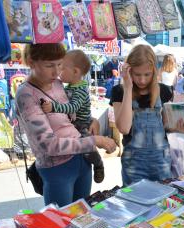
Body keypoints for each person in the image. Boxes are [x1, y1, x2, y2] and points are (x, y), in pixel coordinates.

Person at [16, 44, 116, 207]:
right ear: (31, 62)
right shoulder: (27, 95)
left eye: (60, 64)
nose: (56, 72)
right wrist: (94, 141)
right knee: (61, 222)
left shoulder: (57, 83)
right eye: (49, 66)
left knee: (83, 216)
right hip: (57, 168)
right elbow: (49, 145)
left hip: (82, 160)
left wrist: (92, 120)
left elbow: (69, 116)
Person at [110, 45, 184, 186]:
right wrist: (128, 87)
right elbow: (123, 128)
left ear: (154, 71)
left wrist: (179, 128)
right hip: (133, 165)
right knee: (135, 204)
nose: (142, 80)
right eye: (137, 74)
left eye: (147, 74)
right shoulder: (120, 91)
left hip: (161, 161)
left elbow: (165, 126)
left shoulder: (164, 91)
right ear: (129, 71)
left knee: (162, 203)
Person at [41, 50, 105, 183]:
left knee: (87, 147)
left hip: (82, 123)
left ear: (75, 72)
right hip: (73, 123)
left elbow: (72, 107)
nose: (59, 71)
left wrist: (53, 107)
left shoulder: (80, 90)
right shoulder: (70, 86)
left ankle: (98, 164)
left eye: (62, 68)